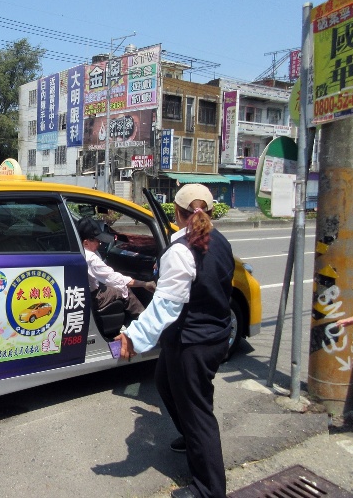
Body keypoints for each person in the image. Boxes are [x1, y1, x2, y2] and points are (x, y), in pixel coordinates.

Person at [116, 184, 234, 498]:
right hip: (209, 334)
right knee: (165, 382)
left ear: (178, 213)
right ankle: (191, 436)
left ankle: (209, 490)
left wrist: (132, 336)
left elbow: (166, 306)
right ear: (208, 211)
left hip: (194, 342)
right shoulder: (218, 241)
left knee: (199, 413)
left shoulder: (182, 252)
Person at [76, 216, 155, 322]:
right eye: (97, 241)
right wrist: (144, 284)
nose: (100, 244)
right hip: (93, 296)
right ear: (86, 242)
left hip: (82, 293)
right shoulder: (90, 258)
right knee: (122, 289)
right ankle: (146, 323)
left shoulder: (79, 250)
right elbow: (113, 278)